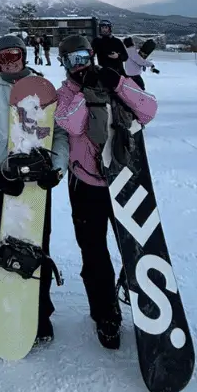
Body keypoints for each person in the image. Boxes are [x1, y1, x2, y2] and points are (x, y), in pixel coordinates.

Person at [54, 35, 158, 351]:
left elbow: (149, 109)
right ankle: (105, 314)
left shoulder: (115, 81)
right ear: (65, 64)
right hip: (87, 185)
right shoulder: (65, 94)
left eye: (84, 56)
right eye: (72, 60)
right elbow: (70, 124)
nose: (80, 64)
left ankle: (142, 292)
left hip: (125, 179)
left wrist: (117, 83)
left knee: (137, 244)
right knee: (94, 252)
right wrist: (89, 92)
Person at [0, 34, 69, 343]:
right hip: (3, 183)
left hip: (37, 184)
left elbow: (61, 134)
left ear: (24, 55)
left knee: (39, 244)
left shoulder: (44, 89)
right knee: (8, 244)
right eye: (1, 57)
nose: (9, 61)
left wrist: (56, 169)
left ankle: (41, 312)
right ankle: (10, 305)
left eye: (14, 55)